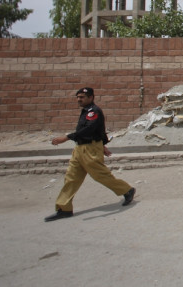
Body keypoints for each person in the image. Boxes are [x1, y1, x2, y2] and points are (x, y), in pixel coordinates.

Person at [44, 87, 135, 222]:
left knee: (100, 175)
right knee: (71, 179)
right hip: (80, 149)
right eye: (78, 97)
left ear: (91, 97)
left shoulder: (94, 112)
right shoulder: (86, 111)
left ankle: (127, 190)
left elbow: (89, 130)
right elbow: (97, 131)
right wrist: (102, 145)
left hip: (90, 150)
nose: (79, 100)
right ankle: (64, 209)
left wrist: (67, 137)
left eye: (82, 97)